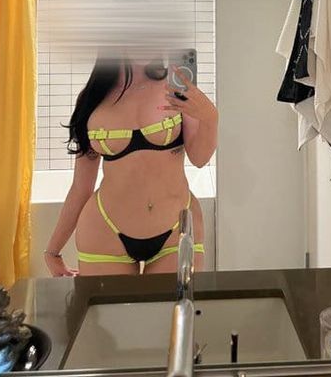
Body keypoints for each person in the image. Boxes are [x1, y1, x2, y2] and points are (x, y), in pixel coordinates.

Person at [44, 54, 217, 276]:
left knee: (176, 301)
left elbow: (200, 158)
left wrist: (210, 117)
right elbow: (81, 188)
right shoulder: (92, 99)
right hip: (104, 233)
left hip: (176, 230)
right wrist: (52, 251)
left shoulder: (176, 88)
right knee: (111, 304)